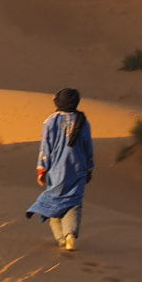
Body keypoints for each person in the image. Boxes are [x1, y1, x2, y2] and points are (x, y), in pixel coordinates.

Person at [27, 87, 94, 251]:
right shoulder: (83, 121)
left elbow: (45, 147)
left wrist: (42, 170)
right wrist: (89, 168)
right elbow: (88, 147)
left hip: (57, 172)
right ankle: (70, 234)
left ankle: (61, 239)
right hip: (78, 170)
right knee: (74, 204)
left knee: (53, 205)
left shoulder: (51, 121)